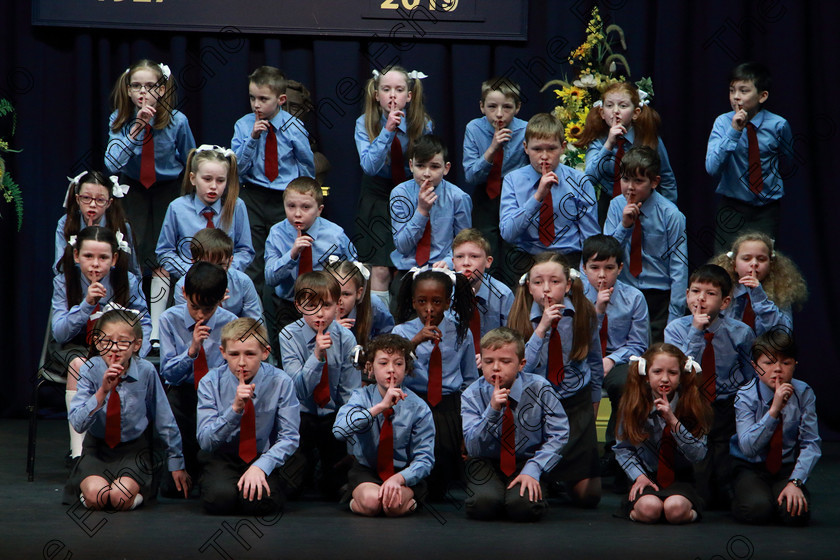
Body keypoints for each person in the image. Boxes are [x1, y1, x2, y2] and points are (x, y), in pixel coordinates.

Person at [104, 59, 195, 339]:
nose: (143, 92)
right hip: (133, 191)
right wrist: (136, 129)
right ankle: (132, 321)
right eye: (137, 86)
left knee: (162, 257)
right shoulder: (119, 119)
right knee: (133, 251)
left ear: (163, 89)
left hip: (167, 190)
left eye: (150, 86)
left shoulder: (177, 121)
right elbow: (111, 164)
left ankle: (157, 329)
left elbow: (191, 159)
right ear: (128, 90)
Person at [65, 309, 189, 509]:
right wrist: (102, 392)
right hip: (98, 449)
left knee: (118, 498)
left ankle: (137, 495)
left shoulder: (146, 371)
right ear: (97, 343)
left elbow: (164, 419)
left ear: (136, 345)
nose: (114, 349)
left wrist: (176, 462)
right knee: (97, 496)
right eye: (107, 342)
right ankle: (87, 495)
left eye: (123, 342)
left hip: (133, 450)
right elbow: (78, 423)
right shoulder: (90, 369)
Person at [507, 252, 602, 507]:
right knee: (531, 494)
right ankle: (542, 476)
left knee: (589, 497)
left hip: (574, 401)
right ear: (528, 286)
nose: (546, 289)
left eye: (555, 281)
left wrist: (594, 404)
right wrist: (542, 329)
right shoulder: (518, 314)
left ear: (568, 284)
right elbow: (518, 370)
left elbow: (594, 360)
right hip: (536, 403)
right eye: (538, 282)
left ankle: (565, 479)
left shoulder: (584, 311)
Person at [52, 226, 151, 462]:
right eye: (88, 256)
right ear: (76, 256)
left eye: (103, 257)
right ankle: (78, 452)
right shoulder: (64, 280)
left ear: (114, 259)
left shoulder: (127, 280)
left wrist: (137, 351)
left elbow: (144, 321)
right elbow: (59, 333)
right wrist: (86, 304)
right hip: (76, 346)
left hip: (119, 348)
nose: (95, 264)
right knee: (80, 364)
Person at [664, 264, 756, 508]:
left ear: (725, 302)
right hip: (692, 402)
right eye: (695, 291)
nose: (701, 299)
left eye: (710, 293)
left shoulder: (741, 333)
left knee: (725, 473)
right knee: (702, 486)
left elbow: (749, 376)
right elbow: (680, 370)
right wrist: (695, 331)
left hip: (727, 404)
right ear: (686, 295)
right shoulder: (675, 329)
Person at [461, 327, 569, 521]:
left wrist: (534, 469)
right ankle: (496, 494)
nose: (495, 367)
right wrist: (492, 410)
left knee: (523, 508)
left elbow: (559, 433)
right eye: (489, 361)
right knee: (483, 506)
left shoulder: (539, 388)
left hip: (527, 460)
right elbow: (473, 447)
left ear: (521, 364)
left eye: (505, 361)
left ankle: (534, 488)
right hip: (486, 461)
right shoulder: (471, 394)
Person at [197, 317, 300, 515]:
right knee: (220, 499)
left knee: (258, 503)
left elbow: (289, 437)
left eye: (250, 354)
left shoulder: (281, 382)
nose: (241, 362)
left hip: (262, 454)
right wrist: (234, 409)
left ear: (265, 352)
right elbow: (205, 441)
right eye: (234, 354)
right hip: (223, 455)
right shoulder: (210, 382)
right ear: (223, 353)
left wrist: (261, 466)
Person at [231, 66, 315, 305]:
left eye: (263, 99)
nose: (256, 104)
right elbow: (237, 169)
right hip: (253, 197)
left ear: (281, 100)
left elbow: (306, 164)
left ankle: (285, 308)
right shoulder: (244, 126)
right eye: (252, 98)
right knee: (254, 260)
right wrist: (253, 139)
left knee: (284, 256)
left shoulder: (294, 127)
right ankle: (253, 316)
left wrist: (306, 198)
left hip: (285, 200)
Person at [392, 268, 477, 499]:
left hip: (448, 404)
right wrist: (416, 341)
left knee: (443, 463)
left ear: (448, 303)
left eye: (437, 302)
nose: (429, 309)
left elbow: (470, 379)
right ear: (413, 302)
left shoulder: (461, 331)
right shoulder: (402, 332)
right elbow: (392, 370)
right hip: (413, 401)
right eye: (422, 301)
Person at [354, 65, 432, 310]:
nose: (392, 95)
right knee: (379, 267)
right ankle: (379, 326)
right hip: (377, 197)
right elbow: (369, 166)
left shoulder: (423, 124)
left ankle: (404, 323)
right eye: (386, 89)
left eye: (399, 90)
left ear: (409, 96)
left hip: (410, 198)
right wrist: (387, 131)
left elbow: (427, 164)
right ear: (376, 94)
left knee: (407, 266)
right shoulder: (364, 123)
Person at [333, 334, 435, 516]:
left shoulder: (419, 407)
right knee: (373, 503)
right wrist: (379, 407)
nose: (391, 370)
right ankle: (355, 499)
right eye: (383, 363)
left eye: (398, 363)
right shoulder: (360, 397)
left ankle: (409, 500)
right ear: (371, 367)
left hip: (403, 472)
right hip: (367, 470)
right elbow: (339, 431)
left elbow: (425, 459)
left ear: (406, 367)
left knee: (392, 506)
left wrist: (400, 478)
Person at [278, 271, 359, 498]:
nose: (320, 313)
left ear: (338, 305)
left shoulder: (345, 337)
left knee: (337, 489)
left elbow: (350, 393)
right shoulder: (289, 335)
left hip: (334, 417)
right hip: (300, 415)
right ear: (298, 305)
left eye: (327, 305)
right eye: (311, 305)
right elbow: (298, 390)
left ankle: (327, 474)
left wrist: (351, 442)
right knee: (291, 489)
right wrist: (317, 355)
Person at [730, 327, 821, 525]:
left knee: (795, 513)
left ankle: (779, 493)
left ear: (795, 365)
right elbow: (747, 446)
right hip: (750, 466)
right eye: (769, 363)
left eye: (786, 363)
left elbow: (811, 443)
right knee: (757, 509)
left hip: (785, 466)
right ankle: (744, 494)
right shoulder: (745, 395)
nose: (778, 369)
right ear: (756, 367)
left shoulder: (804, 393)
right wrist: (774, 410)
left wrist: (795, 481)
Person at [159, 262, 238, 489]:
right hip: (183, 395)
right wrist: (192, 350)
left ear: (222, 297)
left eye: (209, 308)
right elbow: (169, 375)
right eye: (194, 307)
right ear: (184, 292)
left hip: (217, 398)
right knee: (172, 490)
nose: (201, 315)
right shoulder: (169, 319)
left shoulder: (230, 322)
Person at [613, 343, 711, 523]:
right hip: (646, 474)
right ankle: (635, 510)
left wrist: (672, 420)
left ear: (681, 376)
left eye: (672, 373)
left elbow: (698, 454)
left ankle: (692, 512)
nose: (665, 379)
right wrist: (639, 476)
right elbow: (623, 449)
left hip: (681, 477)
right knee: (650, 509)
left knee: (675, 510)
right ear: (646, 375)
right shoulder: (633, 404)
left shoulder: (691, 404)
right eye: (657, 372)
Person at [580, 234, 649, 480]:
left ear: (620, 268)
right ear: (583, 268)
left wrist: (611, 359)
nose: (601, 275)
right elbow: (574, 340)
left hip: (618, 359)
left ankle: (615, 448)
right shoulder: (575, 297)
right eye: (594, 268)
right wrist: (597, 311)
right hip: (583, 356)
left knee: (625, 383)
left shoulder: (634, 298)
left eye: (609, 268)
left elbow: (639, 344)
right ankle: (580, 450)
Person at [706, 62, 793, 251]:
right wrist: (734, 131)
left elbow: (787, 162)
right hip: (732, 208)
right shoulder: (722, 123)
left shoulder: (779, 125)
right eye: (732, 90)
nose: (736, 97)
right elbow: (712, 168)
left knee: (762, 263)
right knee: (725, 266)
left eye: (743, 91)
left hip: (766, 209)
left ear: (762, 96)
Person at [604, 145, 687, 343]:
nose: (630, 187)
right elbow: (605, 253)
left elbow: (679, 266)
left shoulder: (671, 214)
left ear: (654, 182)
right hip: (624, 292)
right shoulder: (616, 206)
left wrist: (674, 317)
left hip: (658, 296)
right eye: (625, 179)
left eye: (638, 181)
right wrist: (624, 226)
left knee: (655, 353)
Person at [265, 176, 357, 347]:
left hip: (325, 308)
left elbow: (354, 270)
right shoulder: (277, 233)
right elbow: (270, 278)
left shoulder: (335, 235)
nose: (297, 213)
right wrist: (291, 255)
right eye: (291, 206)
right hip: (288, 307)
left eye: (306, 207)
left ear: (319, 209)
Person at [499, 112, 599, 269]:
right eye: (537, 149)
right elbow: (507, 234)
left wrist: (585, 277)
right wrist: (538, 196)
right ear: (525, 148)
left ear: (563, 147)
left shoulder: (580, 181)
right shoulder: (513, 180)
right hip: (529, 261)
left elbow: (590, 238)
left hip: (569, 260)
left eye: (551, 148)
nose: (544, 156)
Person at [577, 82, 677, 224]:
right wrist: (609, 144)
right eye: (609, 105)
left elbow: (666, 178)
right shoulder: (599, 141)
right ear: (602, 113)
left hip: (645, 206)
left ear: (635, 113)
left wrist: (667, 213)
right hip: (609, 207)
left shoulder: (647, 138)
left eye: (623, 106)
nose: (615, 111)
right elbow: (589, 178)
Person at [462, 77, 528, 284]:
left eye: (507, 107)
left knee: (513, 254)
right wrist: (491, 149)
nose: (499, 113)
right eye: (492, 106)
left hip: (516, 199)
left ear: (517, 108)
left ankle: (514, 307)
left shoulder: (526, 130)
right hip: (485, 197)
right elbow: (470, 176)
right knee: (485, 250)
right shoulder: (474, 129)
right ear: (482, 107)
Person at [156, 145, 253, 282]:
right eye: (207, 179)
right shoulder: (177, 208)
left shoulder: (236, 206)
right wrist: (192, 273)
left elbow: (245, 250)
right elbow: (164, 252)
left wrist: (224, 272)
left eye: (220, 180)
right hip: (189, 283)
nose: (213, 186)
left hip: (227, 281)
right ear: (193, 178)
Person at [390, 134, 472, 274]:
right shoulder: (400, 194)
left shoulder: (458, 197)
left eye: (434, 167)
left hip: (444, 269)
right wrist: (421, 211)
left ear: (446, 168)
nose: (426, 173)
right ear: (411, 165)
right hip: (408, 269)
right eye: (420, 165)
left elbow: (464, 244)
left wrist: (448, 262)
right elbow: (402, 247)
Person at [711, 232, 807, 335]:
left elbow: (783, 333)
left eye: (761, 259)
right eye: (746, 259)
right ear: (734, 264)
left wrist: (759, 297)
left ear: (771, 264)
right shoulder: (720, 290)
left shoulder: (780, 292)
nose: (754, 264)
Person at [451, 228, 515, 367]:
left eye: (474, 256)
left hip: (494, 363)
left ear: (488, 261)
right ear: (453, 262)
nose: (466, 263)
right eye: (460, 257)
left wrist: (490, 355)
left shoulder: (503, 295)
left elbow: (512, 339)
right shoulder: (445, 293)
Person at [55, 171, 139, 277]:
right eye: (86, 198)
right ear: (77, 199)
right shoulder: (65, 223)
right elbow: (60, 269)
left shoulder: (120, 225)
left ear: (109, 203)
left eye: (100, 200)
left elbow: (132, 270)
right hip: (76, 285)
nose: (92, 204)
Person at [173, 228, 263, 320]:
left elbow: (254, 326)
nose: (214, 273)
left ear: (230, 261)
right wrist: (213, 305)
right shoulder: (183, 286)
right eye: (207, 266)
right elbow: (185, 328)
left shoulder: (243, 282)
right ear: (193, 262)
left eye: (220, 265)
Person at [324, 257, 394, 350]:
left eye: (346, 294)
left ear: (359, 293)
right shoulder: (316, 311)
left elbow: (388, 341)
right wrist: (330, 331)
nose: (339, 301)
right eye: (334, 293)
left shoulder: (374, 306)